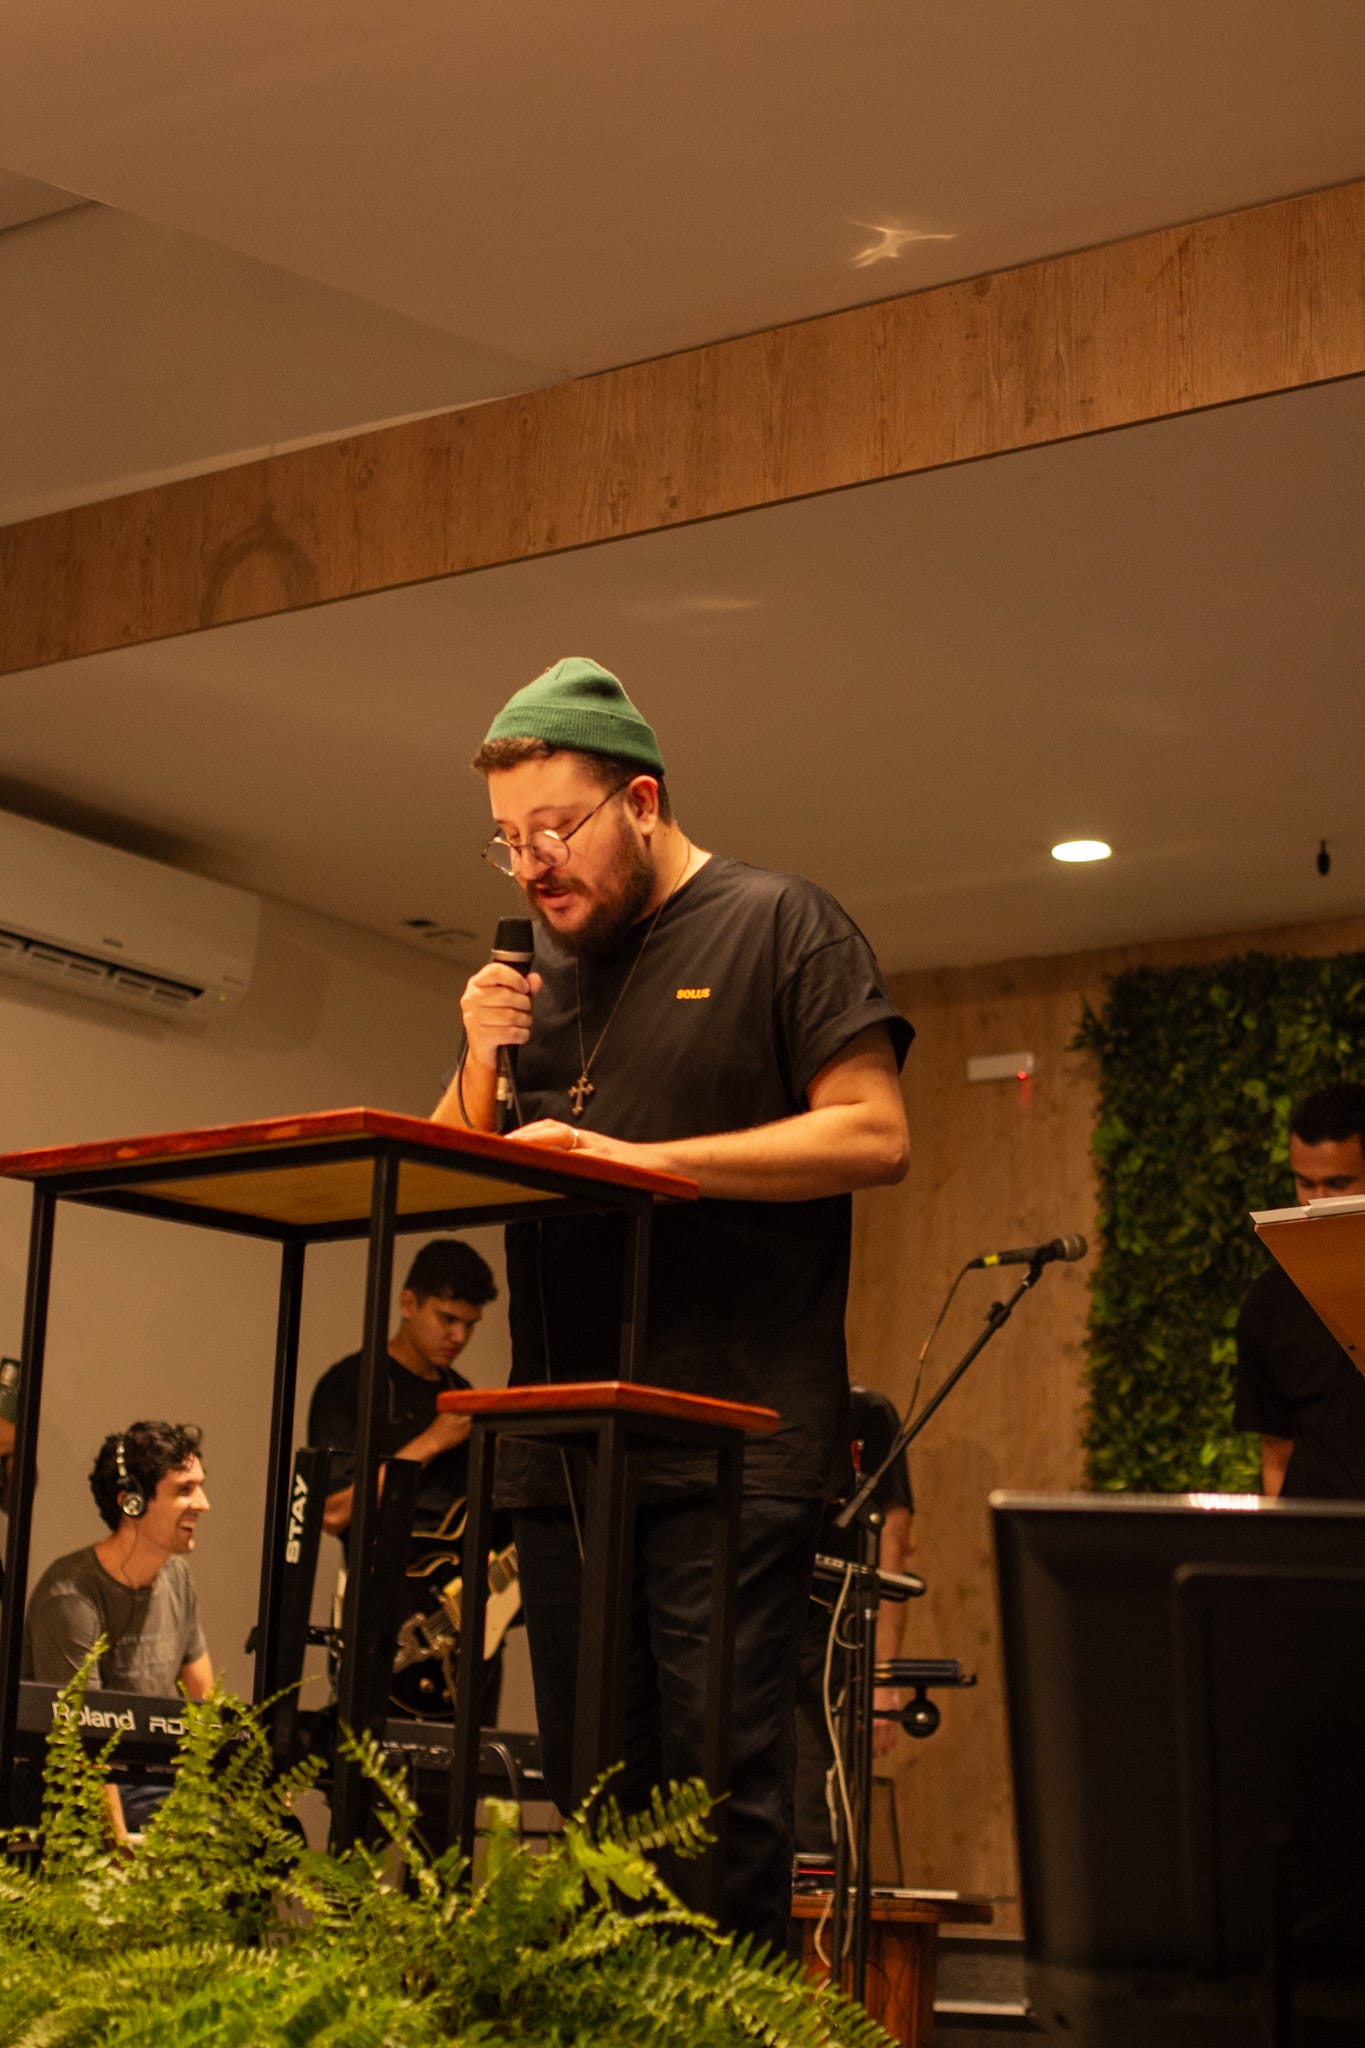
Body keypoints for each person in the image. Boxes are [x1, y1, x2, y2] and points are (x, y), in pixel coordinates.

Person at [433, 655, 912, 1949]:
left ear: (640, 799)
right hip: (563, 1452)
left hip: (727, 1442)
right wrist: (477, 1057)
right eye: (506, 841)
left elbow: (873, 1132)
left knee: (716, 1799)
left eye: (554, 830)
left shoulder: (781, 924)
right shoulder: (533, 974)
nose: (531, 866)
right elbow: (444, 1172)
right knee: (594, 1802)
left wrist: (641, 1164)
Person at [306, 1236, 499, 1717]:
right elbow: (332, 1513)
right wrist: (430, 1442)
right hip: (383, 1621)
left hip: (463, 1628)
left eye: (470, 1325)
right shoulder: (351, 1385)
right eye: (447, 1319)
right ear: (408, 1303)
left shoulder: (463, 1395)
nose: (458, 1337)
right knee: (367, 1756)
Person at [22, 1420, 212, 1836]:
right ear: (132, 1503)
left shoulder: (177, 1578)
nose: (203, 1503)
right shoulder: (70, 1596)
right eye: (185, 1490)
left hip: (159, 1779)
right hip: (94, 1788)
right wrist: (118, 1845)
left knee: (272, 1831)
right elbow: (81, 1746)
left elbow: (204, 1698)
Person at [793, 1385, 915, 1858]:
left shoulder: (868, 1414)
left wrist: (882, 1679)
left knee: (815, 1824)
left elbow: (895, 1544)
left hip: (836, 1644)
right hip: (762, 1633)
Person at [1234, 1080, 1365, 1498]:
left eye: (1338, 1183)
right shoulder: (1271, 1299)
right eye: (1306, 1183)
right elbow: (1276, 1451)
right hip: (1314, 1527)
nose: (1316, 1203)